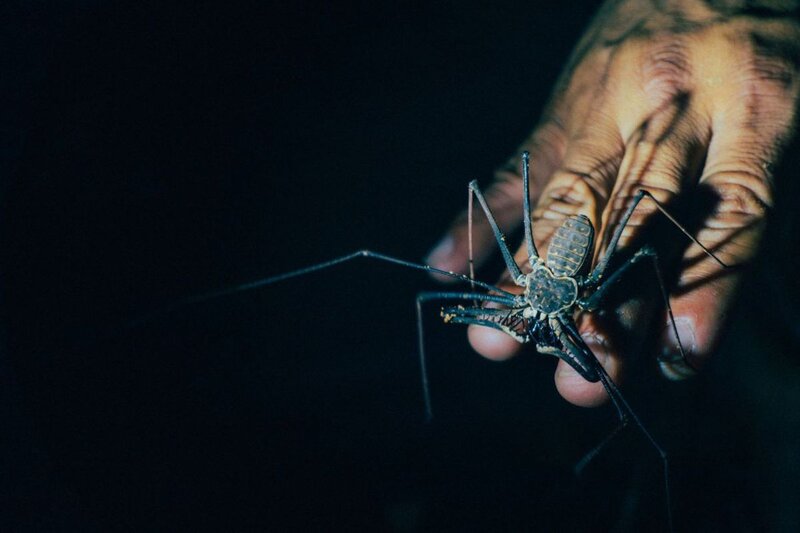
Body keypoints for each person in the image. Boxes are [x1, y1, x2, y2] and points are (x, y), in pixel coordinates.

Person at [427, 0, 800, 407]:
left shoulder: (581, 294)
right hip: (554, 266)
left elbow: (643, 257)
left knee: (644, 254)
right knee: (447, 293)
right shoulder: (534, 286)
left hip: (574, 268)